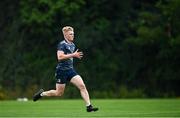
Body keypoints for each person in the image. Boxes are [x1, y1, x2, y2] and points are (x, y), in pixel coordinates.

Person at [33, 26, 98, 112]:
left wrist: (73, 56)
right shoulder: (62, 44)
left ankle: (89, 106)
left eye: (73, 34)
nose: (72, 35)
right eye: (71, 34)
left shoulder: (73, 45)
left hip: (70, 70)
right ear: (65, 35)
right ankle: (41, 94)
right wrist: (73, 55)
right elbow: (59, 57)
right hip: (61, 71)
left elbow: (69, 57)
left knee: (82, 86)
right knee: (59, 93)